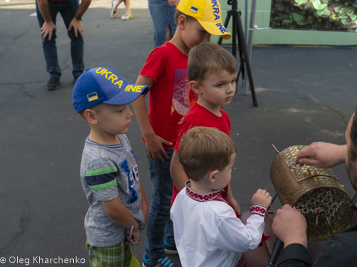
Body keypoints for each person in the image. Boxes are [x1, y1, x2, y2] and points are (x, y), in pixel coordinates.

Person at [131, 0, 231, 265]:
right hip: (164, 146)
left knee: (183, 196)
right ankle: (152, 255)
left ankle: (170, 240)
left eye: (211, 35)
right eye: (202, 32)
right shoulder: (162, 55)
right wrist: (149, 135)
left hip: (190, 146)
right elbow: (135, 94)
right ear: (182, 22)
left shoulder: (199, 58)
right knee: (163, 203)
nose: (206, 39)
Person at [272, 94, 357, 266]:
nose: (346, 149)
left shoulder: (346, 254)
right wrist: (343, 152)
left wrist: (294, 240)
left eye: (348, 143)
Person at [72, 67, 149, 266]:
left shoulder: (120, 136)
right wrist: (134, 227)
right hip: (108, 239)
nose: (130, 115)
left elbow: (132, 169)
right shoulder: (99, 160)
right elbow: (113, 209)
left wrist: (143, 204)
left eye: (127, 107)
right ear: (92, 116)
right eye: (119, 110)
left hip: (124, 228)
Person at [170, 126, 272, 267]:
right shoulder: (219, 214)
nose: (231, 172)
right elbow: (248, 241)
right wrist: (258, 210)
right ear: (213, 176)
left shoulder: (182, 196)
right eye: (230, 169)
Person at [170, 42, 239, 212]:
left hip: (215, 200)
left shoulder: (224, 117)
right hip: (197, 204)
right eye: (220, 84)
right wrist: (193, 203)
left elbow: (223, 164)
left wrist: (229, 197)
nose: (230, 89)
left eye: (233, 81)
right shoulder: (194, 120)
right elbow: (176, 167)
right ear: (196, 87)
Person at [36, 0, 91, 90]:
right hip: (47, 3)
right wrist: (48, 21)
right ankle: (54, 74)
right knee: (48, 36)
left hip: (69, 2)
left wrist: (77, 18)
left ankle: (78, 73)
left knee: (77, 34)